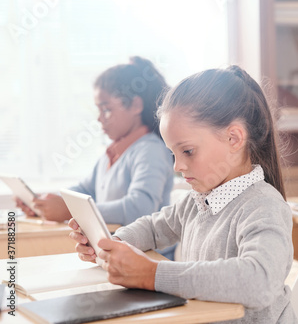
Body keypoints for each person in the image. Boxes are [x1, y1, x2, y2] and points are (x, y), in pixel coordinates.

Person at [69, 65, 297, 323]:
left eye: (187, 151)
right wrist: (111, 243)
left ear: (234, 139)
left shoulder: (263, 205)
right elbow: (154, 228)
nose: (177, 166)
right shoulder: (197, 200)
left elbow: (260, 281)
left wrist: (152, 274)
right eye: (173, 154)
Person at [16, 56, 177, 259]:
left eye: (107, 109)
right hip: (117, 254)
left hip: (150, 258)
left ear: (136, 105)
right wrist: (45, 204)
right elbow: (84, 190)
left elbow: (139, 207)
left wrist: (68, 211)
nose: (99, 118)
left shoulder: (151, 150)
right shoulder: (113, 153)